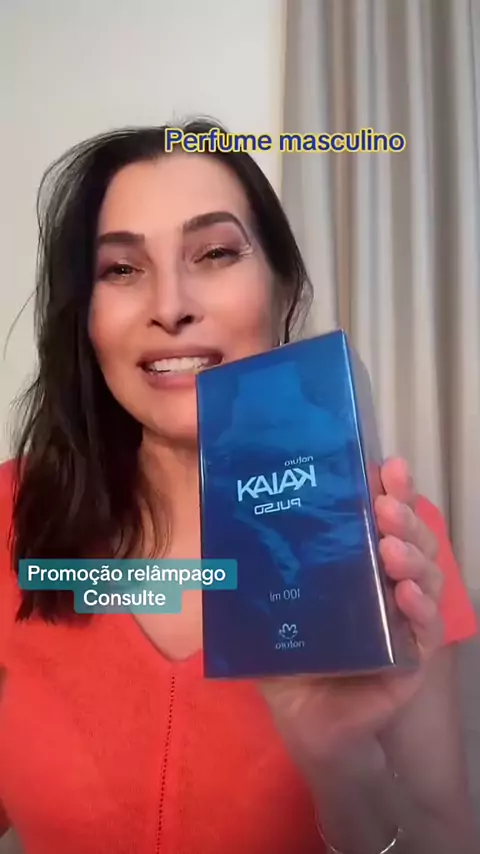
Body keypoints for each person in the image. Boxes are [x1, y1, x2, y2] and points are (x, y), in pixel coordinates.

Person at [0, 118, 478, 854]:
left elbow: (444, 835)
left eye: (216, 253)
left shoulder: (393, 541)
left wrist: (339, 771)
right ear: (84, 319)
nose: (171, 306)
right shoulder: (11, 514)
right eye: (120, 269)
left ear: (283, 287)